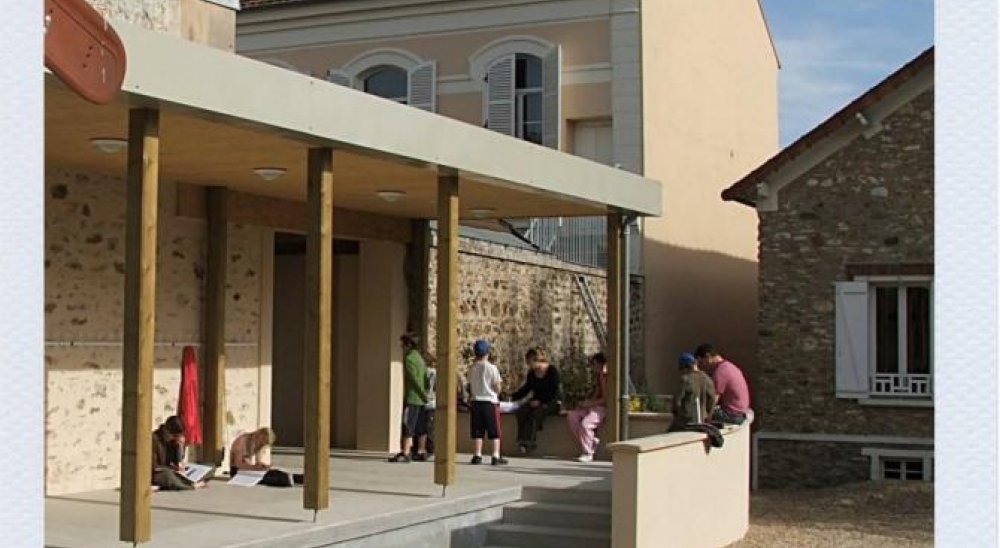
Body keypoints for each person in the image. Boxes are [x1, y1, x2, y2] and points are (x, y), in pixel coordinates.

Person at [511, 347, 561, 454]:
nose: (528, 365)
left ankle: (529, 442)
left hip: (550, 402)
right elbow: (526, 388)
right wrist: (513, 396)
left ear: (535, 360)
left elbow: (554, 391)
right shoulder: (532, 374)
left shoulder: (552, 371)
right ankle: (522, 442)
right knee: (522, 411)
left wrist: (541, 401)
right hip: (535, 401)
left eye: (529, 362)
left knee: (536, 413)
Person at [390, 332, 429, 463]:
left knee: (408, 424)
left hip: (413, 397)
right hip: (422, 399)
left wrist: (421, 393)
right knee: (421, 425)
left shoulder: (409, 359)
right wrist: (426, 393)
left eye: (403, 343)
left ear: (408, 344)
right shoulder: (420, 358)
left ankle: (406, 452)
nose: (401, 346)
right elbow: (426, 377)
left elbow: (414, 379)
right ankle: (421, 451)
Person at [467, 339, 508, 465]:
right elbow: (497, 387)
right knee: (494, 431)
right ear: (487, 353)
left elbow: (469, 384)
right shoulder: (492, 368)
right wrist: (497, 392)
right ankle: (495, 455)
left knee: (478, 430)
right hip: (490, 402)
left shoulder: (472, 368)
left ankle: (477, 454)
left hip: (476, 401)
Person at [694, 343, 751, 424]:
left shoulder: (720, 372)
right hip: (741, 412)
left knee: (697, 416)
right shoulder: (729, 366)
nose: (703, 367)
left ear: (708, 356)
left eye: (702, 362)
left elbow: (713, 400)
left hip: (733, 415)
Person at [566, 352, 608, 463]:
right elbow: (597, 393)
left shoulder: (607, 376)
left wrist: (589, 404)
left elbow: (606, 399)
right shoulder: (599, 376)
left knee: (586, 424)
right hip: (594, 406)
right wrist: (586, 403)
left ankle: (588, 453)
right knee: (572, 416)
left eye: (594, 364)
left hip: (602, 408)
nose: (593, 367)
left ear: (600, 364)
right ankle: (590, 441)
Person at [152, 415, 205, 490]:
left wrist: (180, 446)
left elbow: (177, 461)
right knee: (167, 475)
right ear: (166, 430)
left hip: (172, 471)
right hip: (160, 472)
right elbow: (154, 466)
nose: (174, 438)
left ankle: (189, 481)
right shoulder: (154, 438)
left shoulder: (173, 441)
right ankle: (189, 486)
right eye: (174, 436)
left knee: (209, 467)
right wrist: (172, 469)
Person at [669, 352, 716, 431]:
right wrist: (708, 416)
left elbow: (677, 402)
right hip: (703, 421)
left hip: (687, 422)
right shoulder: (708, 379)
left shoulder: (685, 379)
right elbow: (712, 400)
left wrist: (678, 415)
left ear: (685, 367)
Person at [413, 354, 436, 460]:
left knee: (421, 427)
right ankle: (429, 448)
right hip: (432, 402)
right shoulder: (435, 373)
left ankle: (420, 449)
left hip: (422, 401)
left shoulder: (422, 372)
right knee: (430, 427)